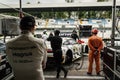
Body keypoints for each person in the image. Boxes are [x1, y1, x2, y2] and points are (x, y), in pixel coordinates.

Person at [5, 16, 47, 80]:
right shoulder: (40, 43)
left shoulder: (9, 43)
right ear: (33, 27)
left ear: (20, 27)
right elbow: (43, 64)